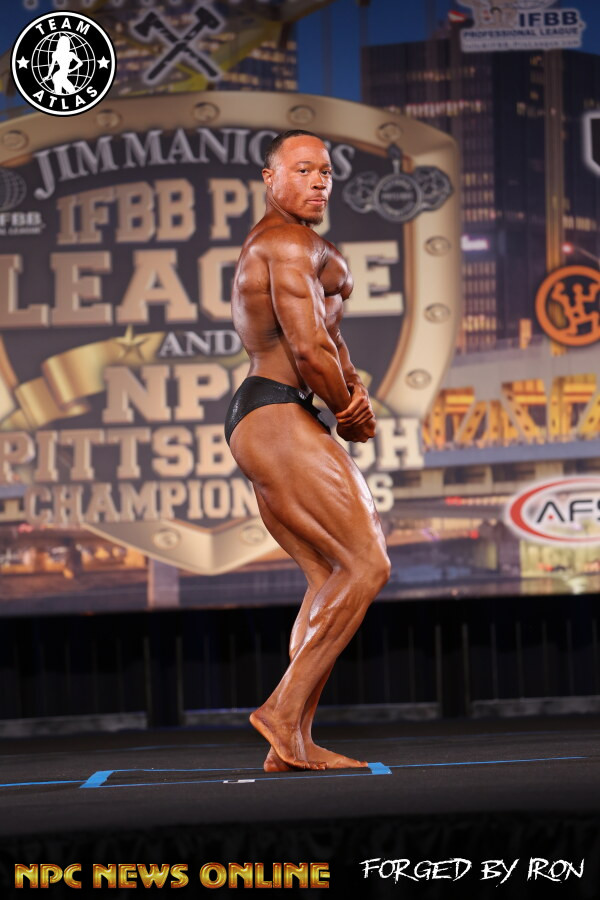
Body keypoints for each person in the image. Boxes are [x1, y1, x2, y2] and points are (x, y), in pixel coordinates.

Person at [225, 130, 391, 771]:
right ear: (270, 178)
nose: (319, 180)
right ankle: (281, 712)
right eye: (302, 170)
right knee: (367, 564)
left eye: (325, 171)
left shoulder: (301, 244)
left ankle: (291, 741)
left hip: (271, 414)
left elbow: (330, 340)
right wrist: (347, 409)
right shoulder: (284, 242)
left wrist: (353, 390)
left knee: (329, 575)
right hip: (275, 412)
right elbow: (306, 347)